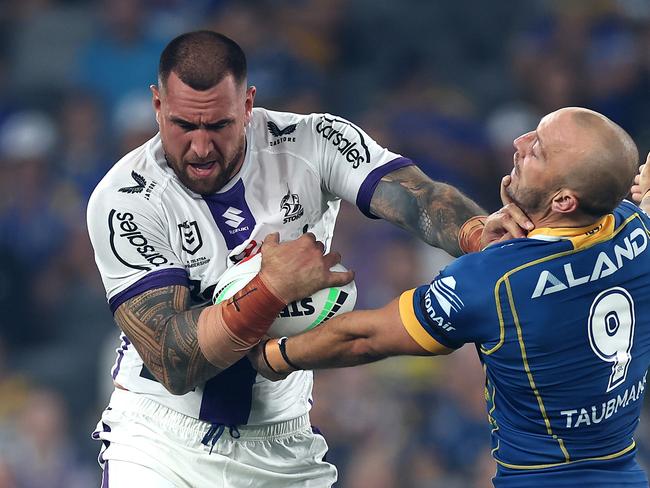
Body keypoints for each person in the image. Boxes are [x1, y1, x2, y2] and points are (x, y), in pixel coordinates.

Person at [86, 30, 528, 487]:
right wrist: (270, 290)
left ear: (248, 104)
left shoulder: (313, 141)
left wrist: (477, 234)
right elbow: (172, 361)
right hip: (162, 442)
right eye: (183, 125)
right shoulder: (126, 200)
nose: (200, 147)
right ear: (157, 106)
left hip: (283, 439)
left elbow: (418, 197)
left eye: (218, 126)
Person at [251, 107, 650, 487]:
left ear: (564, 202)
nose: (519, 141)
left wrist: (272, 356)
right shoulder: (637, 230)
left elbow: (364, 338)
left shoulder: (494, 280)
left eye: (537, 150)